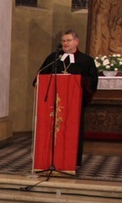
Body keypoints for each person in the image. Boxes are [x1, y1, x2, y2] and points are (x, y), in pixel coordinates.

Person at [35, 29, 99, 167]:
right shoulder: (53, 58)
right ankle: (48, 159)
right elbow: (40, 76)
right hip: (53, 105)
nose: (65, 43)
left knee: (72, 132)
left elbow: (93, 82)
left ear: (76, 42)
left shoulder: (86, 60)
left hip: (73, 105)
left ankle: (72, 161)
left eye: (68, 40)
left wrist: (78, 83)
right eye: (63, 41)